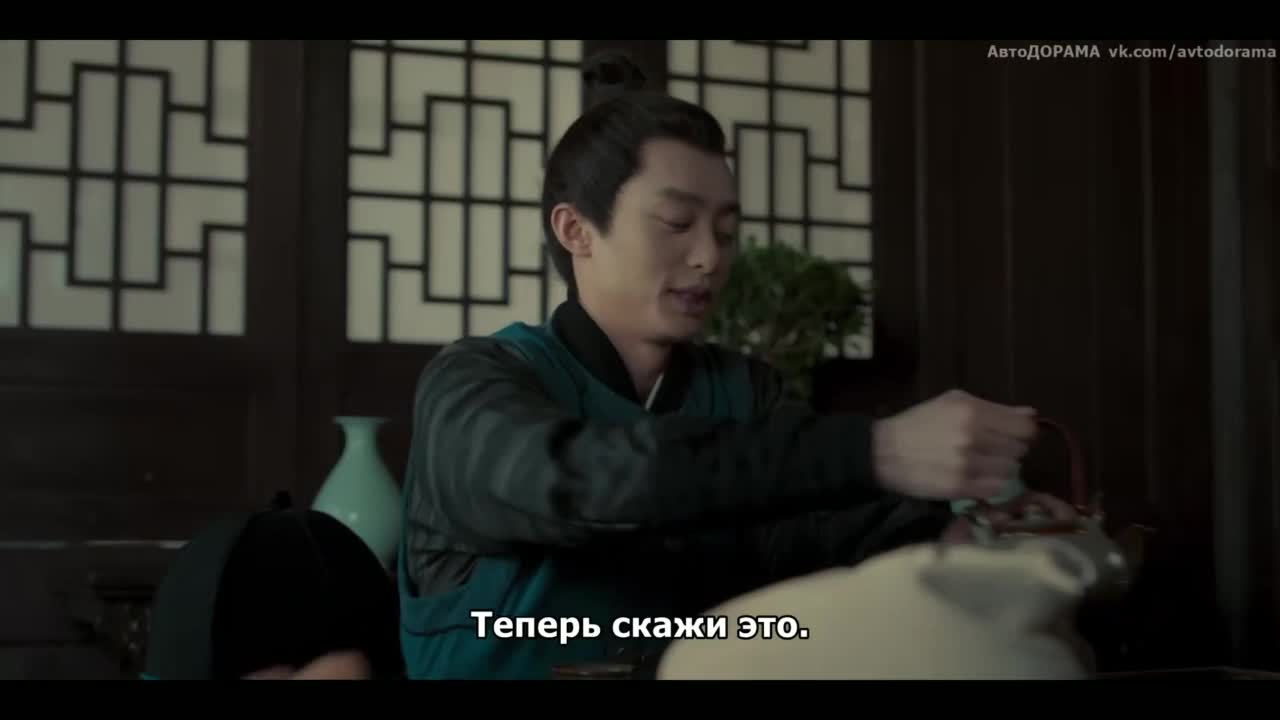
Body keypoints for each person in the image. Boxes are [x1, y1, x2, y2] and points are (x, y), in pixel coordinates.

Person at [396, 51, 1076, 680]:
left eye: (725, 231)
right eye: (676, 223)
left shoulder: (743, 391)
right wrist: (880, 448)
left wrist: (966, 534)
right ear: (576, 230)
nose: (709, 257)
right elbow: (591, 480)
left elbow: (831, 526)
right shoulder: (475, 384)